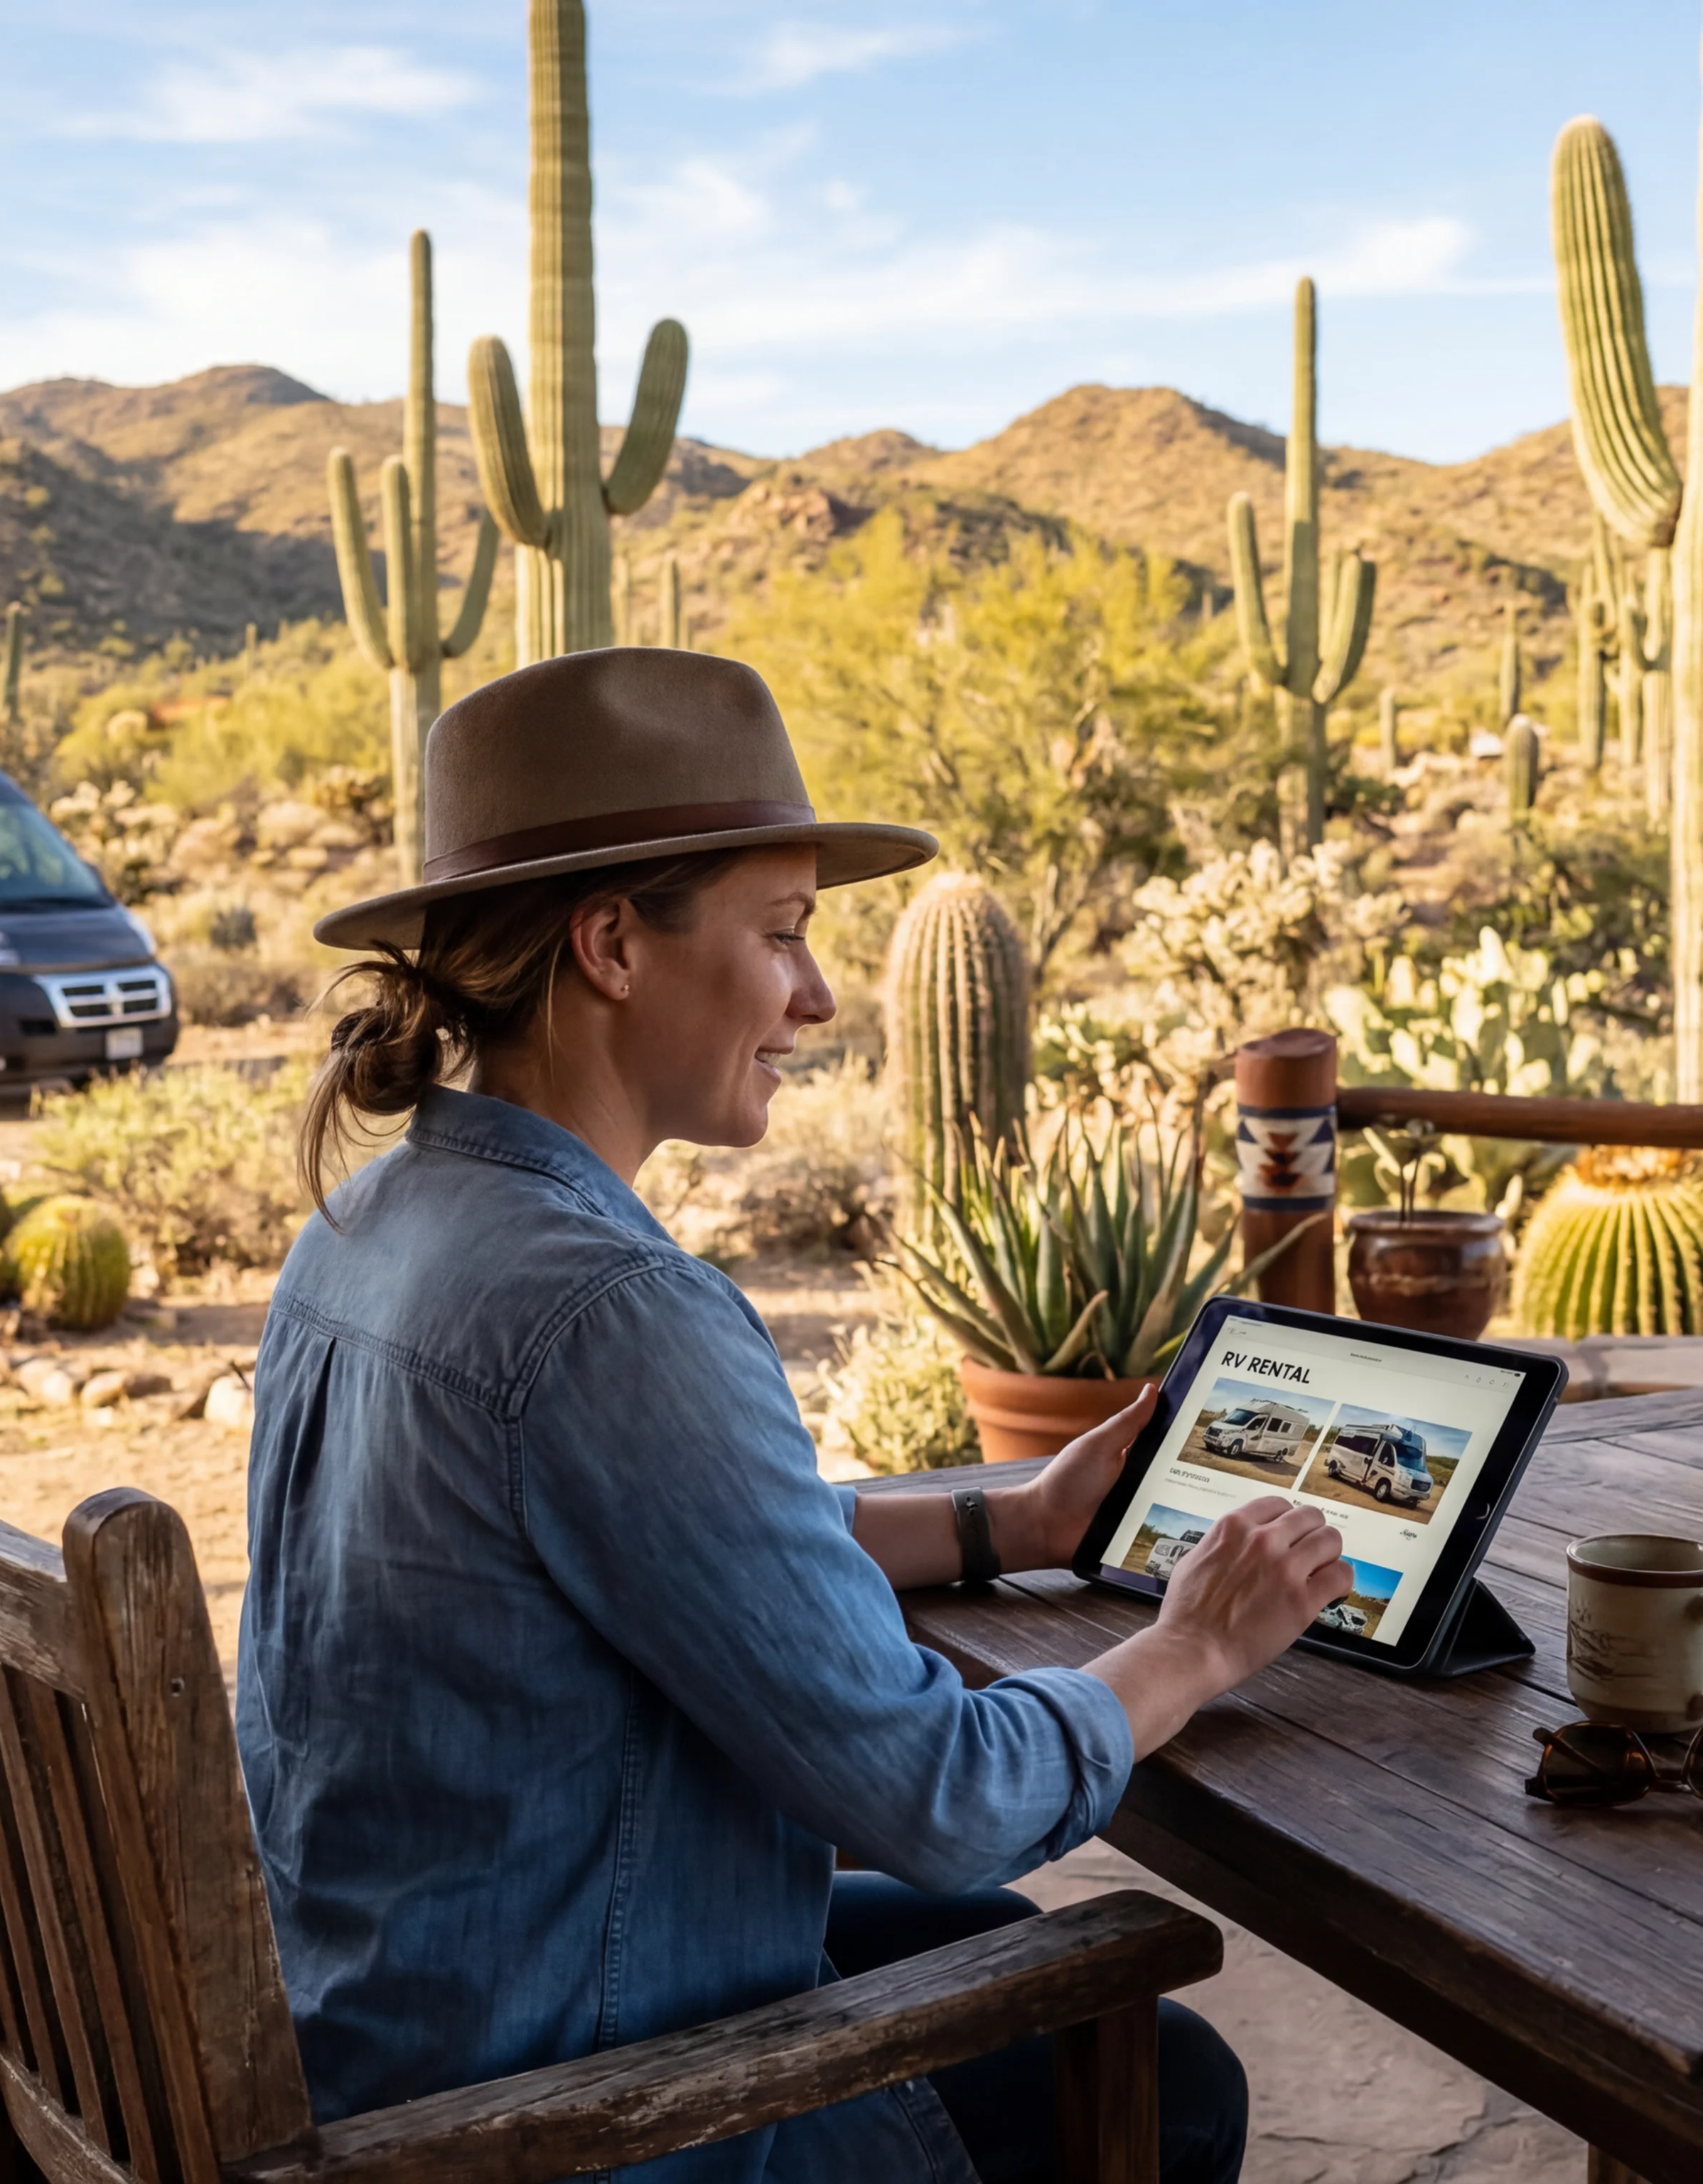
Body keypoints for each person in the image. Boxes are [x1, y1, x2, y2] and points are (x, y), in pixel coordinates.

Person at [241, 648, 1354, 2184]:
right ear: (612, 945)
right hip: (552, 2119)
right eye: (781, 936)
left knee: (981, 1935)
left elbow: (676, 1547)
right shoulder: (610, 1308)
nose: (817, 997)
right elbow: (941, 1798)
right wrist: (1197, 1648)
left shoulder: (365, 1227)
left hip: (408, 2014)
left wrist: (1012, 1517)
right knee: (1167, 2080)